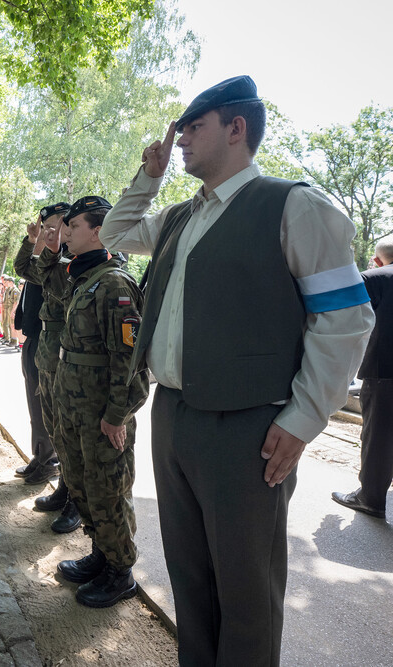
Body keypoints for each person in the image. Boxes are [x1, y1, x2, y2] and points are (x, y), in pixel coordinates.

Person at [101, 75, 374, 664]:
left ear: (236, 128)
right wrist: (147, 179)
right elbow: (115, 233)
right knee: (190, 582)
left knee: (247, 595)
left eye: (193, 127)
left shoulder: (294, 205)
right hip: (175, 415)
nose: (179, 141)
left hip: (247, 428)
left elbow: (346, 320)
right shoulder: (179, 216)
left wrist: (303, 419)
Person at [45, 196, 149, 608]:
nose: (66, 233)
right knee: (81, 483)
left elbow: (130, 360)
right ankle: (101, 554)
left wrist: (117, 416)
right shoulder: (83, 278)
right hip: (74, 407)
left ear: (98, 231)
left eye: (73, 226)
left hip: (102, 415)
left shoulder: (115, 284)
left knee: (108, 490)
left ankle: (120, 572)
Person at [333, 234, 393, 518]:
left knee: (379, 437)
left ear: (377, 259)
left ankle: (370, 497)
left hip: (385, 372)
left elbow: (345, 321)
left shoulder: (375, 278)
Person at [13, 203, 70, 496]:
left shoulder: (70, 260)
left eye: (54, 225)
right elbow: (23, 268)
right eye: (45, 225)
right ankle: (42, 455)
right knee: (40, 409)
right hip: (37, 339)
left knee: (58, 417)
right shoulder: (48, 256)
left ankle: (55, 468)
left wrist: (45, 248)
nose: (48, 230)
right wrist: (32, 240)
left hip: (59, 346)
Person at [1, 275, 20, 346]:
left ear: (11, 282)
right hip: (9, 310)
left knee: (13, 326)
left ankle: (14, 341)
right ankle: (12, 340)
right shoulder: (10, 290)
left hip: (13, 311)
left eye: (8, 282)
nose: (6, 283)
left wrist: (12, 312)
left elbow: (16, 302)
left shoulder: (15, 291)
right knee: (11, 325)